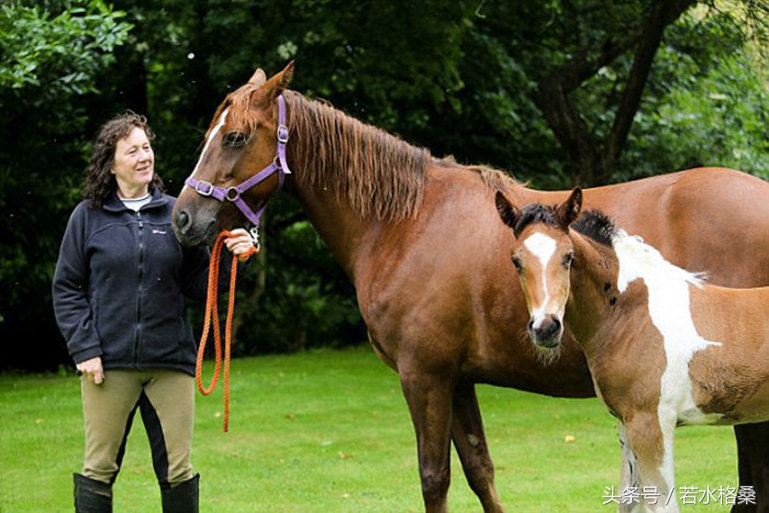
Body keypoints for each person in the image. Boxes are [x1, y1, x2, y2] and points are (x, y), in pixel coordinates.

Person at [52, 111, 255, 513]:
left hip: (171, 365)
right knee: (98, 469)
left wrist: (234, 260)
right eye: (132, 151)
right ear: (111, 164)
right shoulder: (87, 218)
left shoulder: (175, 212)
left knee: (178, 471)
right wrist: (84, 348)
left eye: (147, 147)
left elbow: (201, 284)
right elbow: (67, 288)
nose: (144, 157)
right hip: (108, 365)